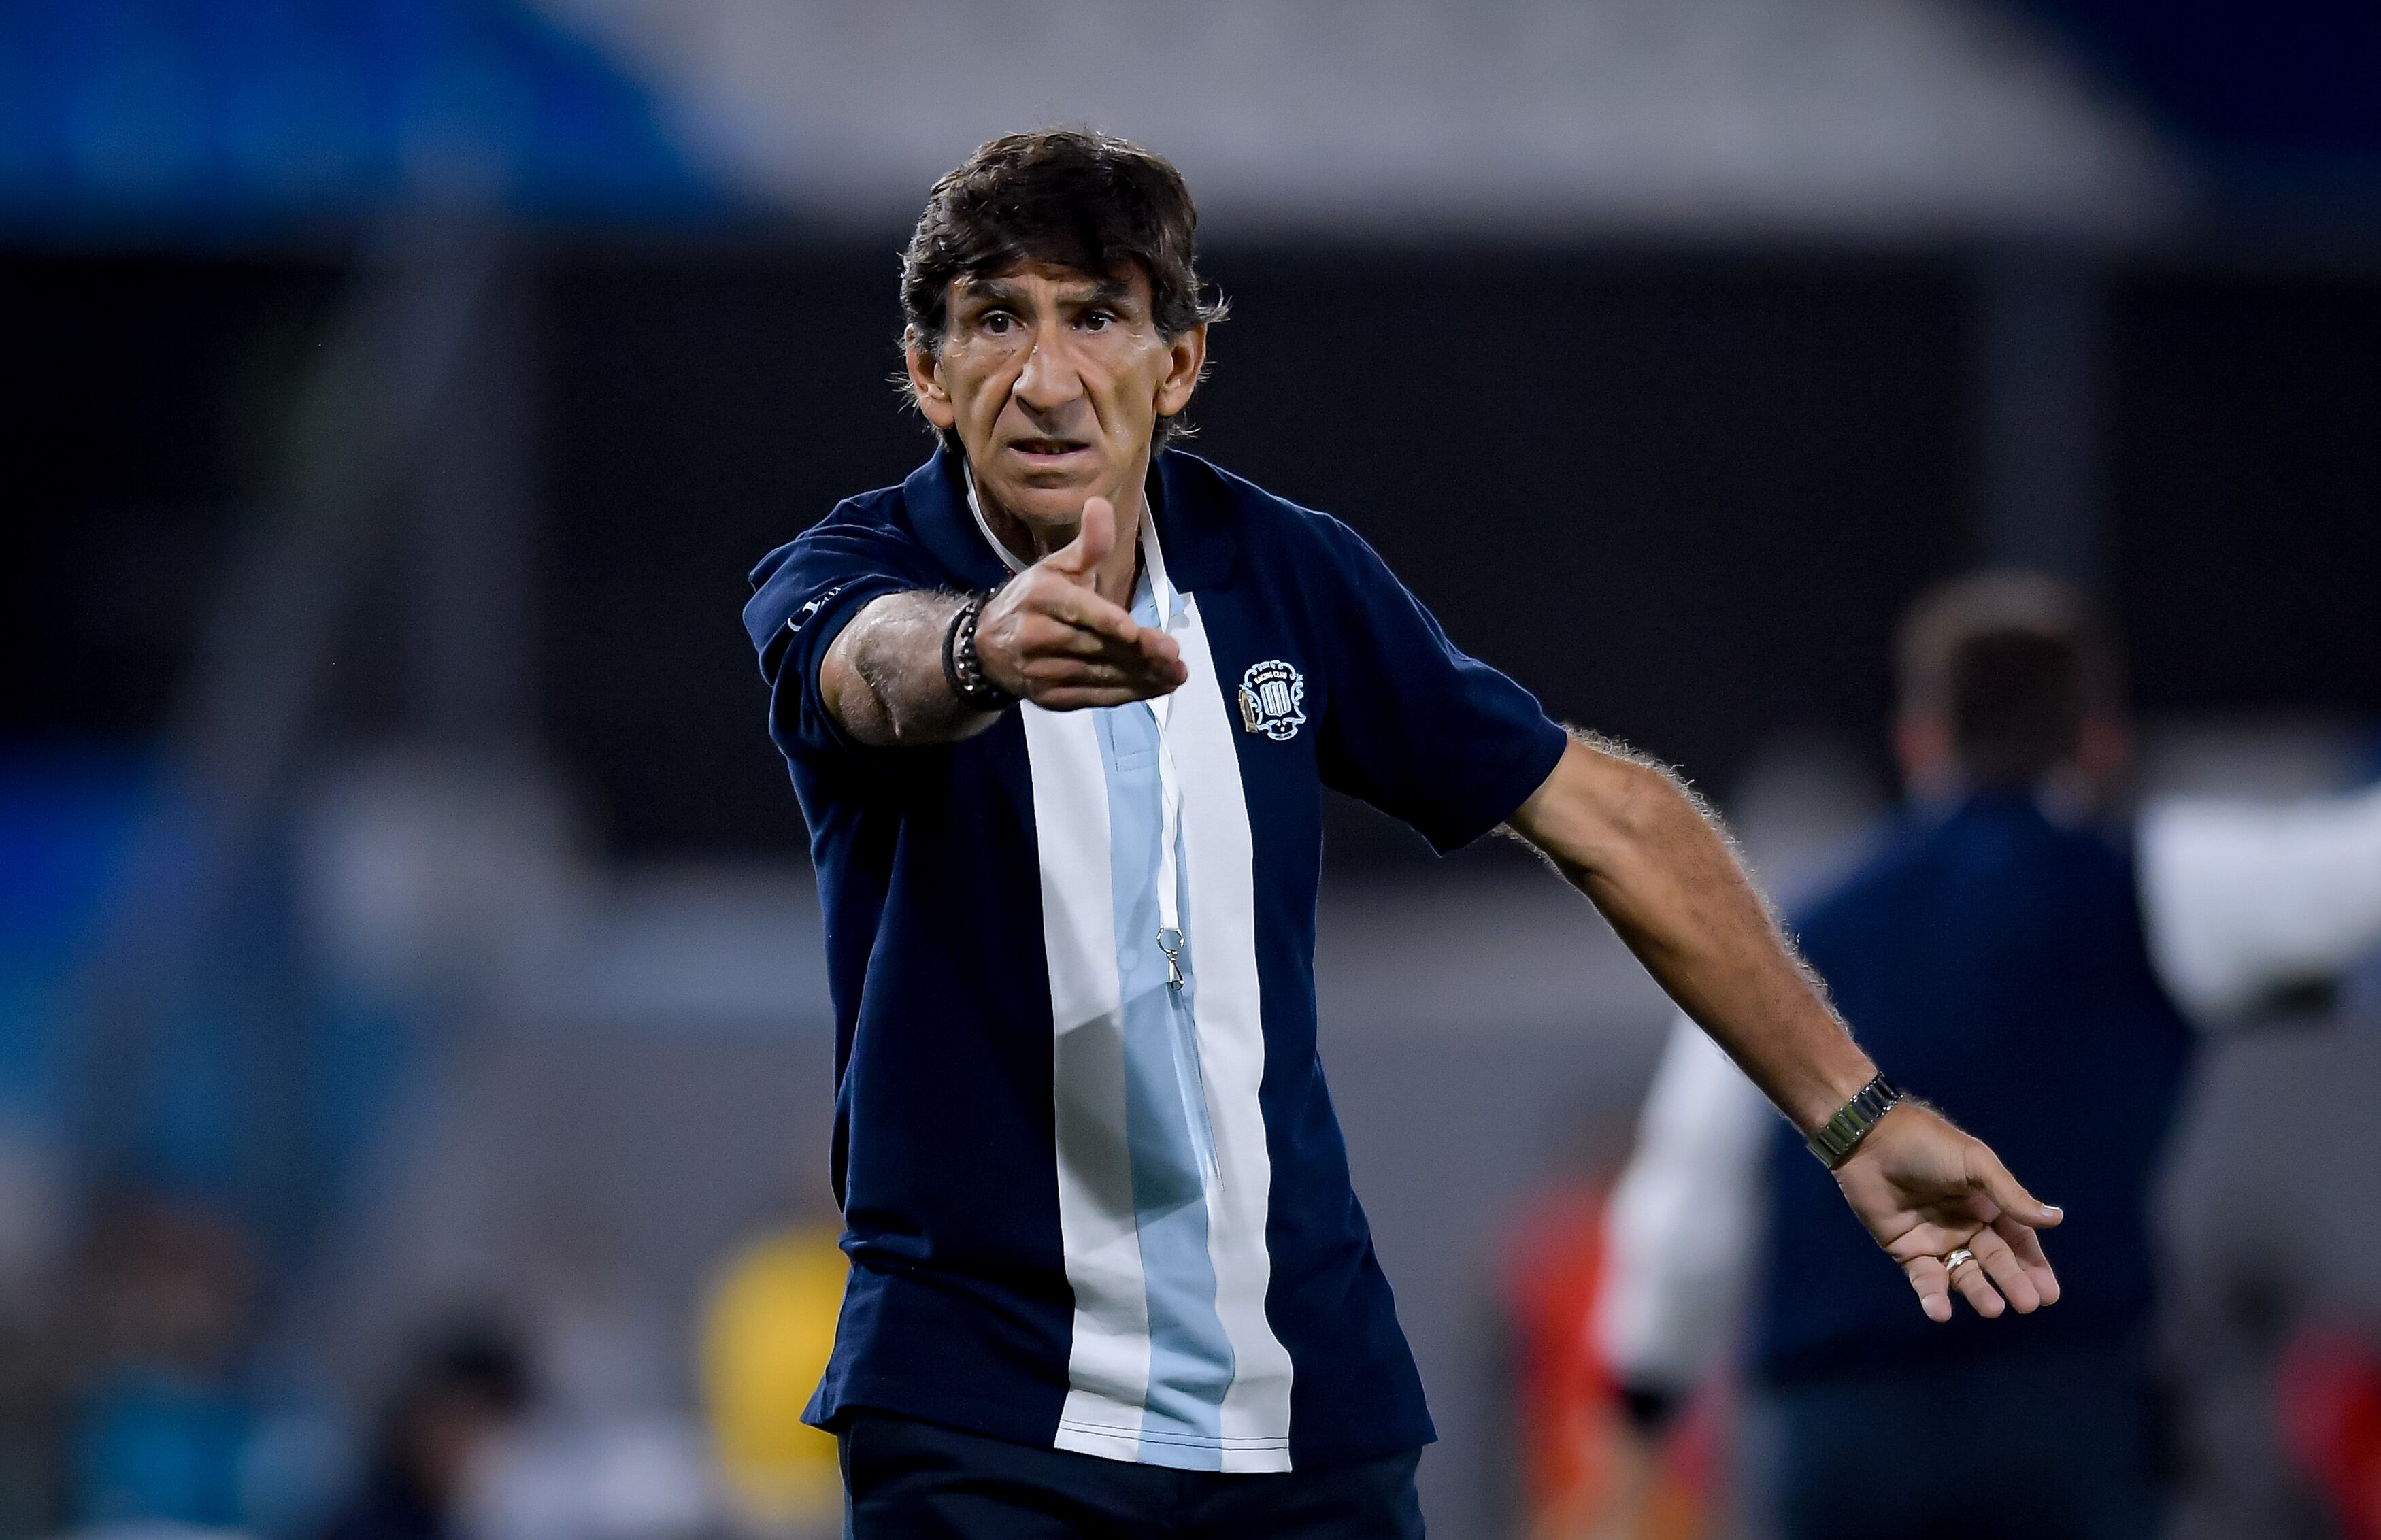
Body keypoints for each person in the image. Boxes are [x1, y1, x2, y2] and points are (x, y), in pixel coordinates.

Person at [742, 129, 2062, 1539]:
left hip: (1309, 1417)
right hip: (986, 1417)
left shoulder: (1286, 575)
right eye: (997, 318)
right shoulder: (852, 574)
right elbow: (868, 671)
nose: (1047, 375)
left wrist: (1855, 1118)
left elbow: (1614, 816)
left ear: (1177, 363)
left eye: (1098, 316)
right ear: (928, 373)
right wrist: (980, 649)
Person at [1593, 572, 2381, 1540]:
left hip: (1841, 1425)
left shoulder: (1790, 935)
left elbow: (1687, 1192)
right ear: (2098, 742)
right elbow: (2352, 872)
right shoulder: (2152, 882)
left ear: (1919, 741)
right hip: (2065, 1406)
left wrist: (1645, 1399)